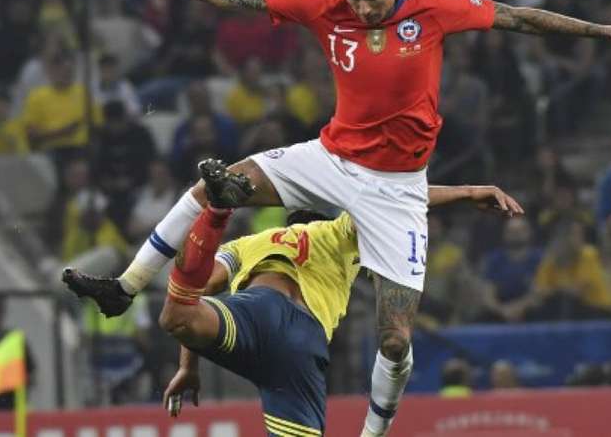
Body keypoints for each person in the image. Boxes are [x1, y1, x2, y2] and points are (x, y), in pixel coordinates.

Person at [72, 0, 611, 436]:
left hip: (397, 189)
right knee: (215, 188)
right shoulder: (326, 7)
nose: (362, 9)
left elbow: (518, 18)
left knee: (395, 340)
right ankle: (125, 286)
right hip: (329, 157)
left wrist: (606, 32)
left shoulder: (435, 9)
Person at [65, 169, 523, 436]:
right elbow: (400, 201)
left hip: (250, 317)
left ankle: (216, 211)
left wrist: (189, 365)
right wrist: (465, 193)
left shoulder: (253, 241)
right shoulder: (340, 230)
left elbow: (198, 285)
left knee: (175, 311)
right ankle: (217, 209)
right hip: (301, 347)